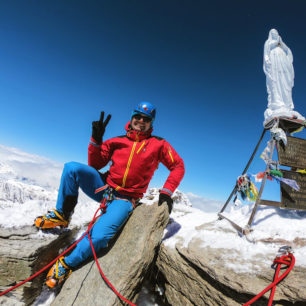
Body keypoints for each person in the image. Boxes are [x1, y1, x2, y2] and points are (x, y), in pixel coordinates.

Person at [34, 102, 185, 288]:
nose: (141, 121)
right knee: (71, 168)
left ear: (151, 123)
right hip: (103, 188)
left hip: (125, 199)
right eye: (137, 116)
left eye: (146, 119)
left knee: (99, 238)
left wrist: (167, 191)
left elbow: (178, 165)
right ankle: (62, 215)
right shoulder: (117, 141)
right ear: (131, 118)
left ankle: (66, 263)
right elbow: (95, 164)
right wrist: (96, 141)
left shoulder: (158, 144)